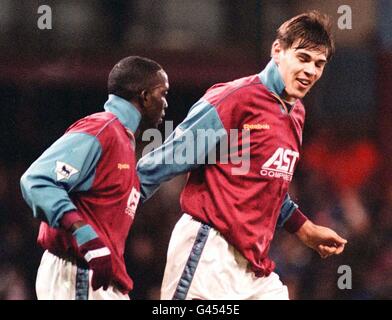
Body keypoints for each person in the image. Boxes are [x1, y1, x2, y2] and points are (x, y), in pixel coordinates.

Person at [136, 11, 347, 300]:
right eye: (303, 58)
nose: (311, 70)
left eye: (319, 64)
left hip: (253, 265)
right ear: (277, 51)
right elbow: (165, 160)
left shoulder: (296, 112)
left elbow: (266, 186)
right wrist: (107, 213)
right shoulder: (236, 98)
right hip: (208, 252)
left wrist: (305, 229)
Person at [20, 56, 169, 300]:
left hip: (98, 277)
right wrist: (88, 239)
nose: (165, 104)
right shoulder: (102, 129)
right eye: (162, 93)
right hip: (77, 272)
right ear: (144, 96)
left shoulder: (123, 139)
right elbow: (36, 181)